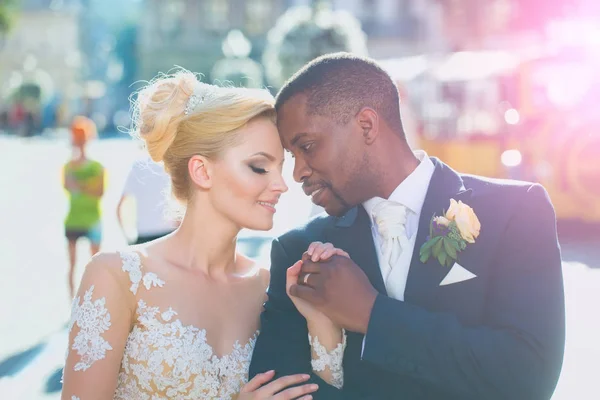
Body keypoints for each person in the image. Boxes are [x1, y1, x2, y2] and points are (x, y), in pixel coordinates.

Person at [250, 53, 565, 399]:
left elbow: (528, 378)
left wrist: (372, 314)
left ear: (366, 126)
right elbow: (279, 388)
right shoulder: (299, 253)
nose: (298, 173)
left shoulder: (515, 212)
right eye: (293, 157)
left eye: (307, 147)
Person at [61, 70, 342, 400]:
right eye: (259, 167)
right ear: (202, 171)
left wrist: (320, 319)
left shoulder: (270, 286)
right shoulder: (117, 277)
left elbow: (319, 392)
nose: (281, 184)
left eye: (281, 167)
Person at [63, 116, 105, 299]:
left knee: (96, 265)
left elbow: (98, 191)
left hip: (92, 219)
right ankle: (74, 305)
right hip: (76, 219)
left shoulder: (95, 167)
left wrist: (80, 185)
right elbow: (69, 185)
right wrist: (88, 185)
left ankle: (93, 301)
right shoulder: (71, 167)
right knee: (74, 265)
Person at [117, 152, 177, 244]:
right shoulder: (173, 164)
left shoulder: (137, 166)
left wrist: (128, 239)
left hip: (144, 235)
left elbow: (119, 207)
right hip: (169, 234)